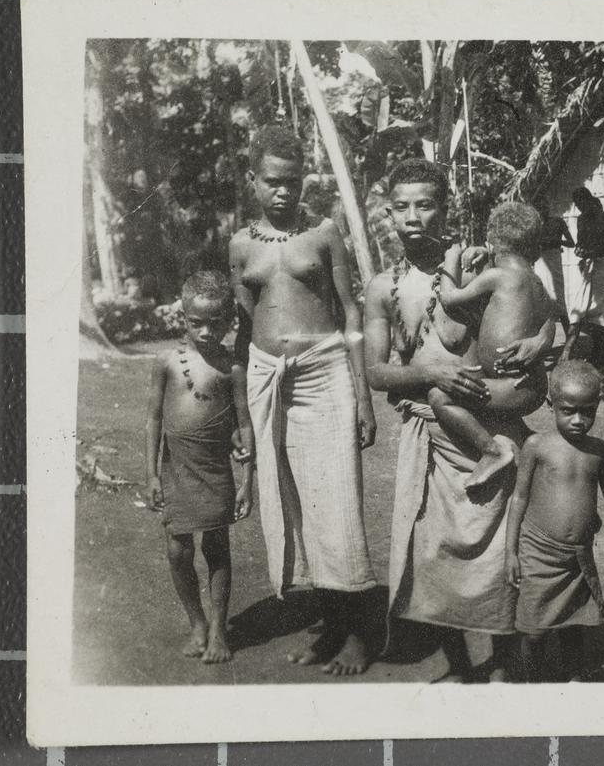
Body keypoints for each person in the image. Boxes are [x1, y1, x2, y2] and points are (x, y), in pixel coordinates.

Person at [363, 158, 554, 682]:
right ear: (388, 214)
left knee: (501, 551)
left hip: (489, 422)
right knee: (437, 553)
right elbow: (377, 372)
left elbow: (537, 304)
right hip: (431, 429)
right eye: (400, 207)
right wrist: (429, 372)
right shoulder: (384, 287)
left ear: (446, 208)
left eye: (425, 204)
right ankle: (462, 667)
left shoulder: (475, 264)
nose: (412, 217)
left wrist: (540, 340)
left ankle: (507, 665)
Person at [229, 125, 378, 677]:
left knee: (337, 505)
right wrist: (241, 416)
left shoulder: (323, 233)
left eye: (292, 182)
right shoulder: (240, 245)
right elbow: (245, 328)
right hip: (270, 380)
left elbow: (351, 313)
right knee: (294, 507)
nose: (283, 193)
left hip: (324, 374)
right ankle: (331, 626)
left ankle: (364, 632)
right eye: (272, 182)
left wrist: (363, 397)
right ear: (253, 182)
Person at [145, 270, 254, 664]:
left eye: (217, 323)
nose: (207, 332)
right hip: (176, 469)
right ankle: (197, 622)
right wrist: (152, 474)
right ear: (183, 317)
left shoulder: (232, 368)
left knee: (216, 546)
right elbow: (154, 419)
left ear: (230, 322)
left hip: (214, 469)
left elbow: (244, 424)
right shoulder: (168, 362)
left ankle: (220, 629)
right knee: (177, 550)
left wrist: (248, 482)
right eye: (197, 323)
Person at [504, 360, 604, 682]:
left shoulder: (598, 450)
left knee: (574, 624)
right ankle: (532, 684)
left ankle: (573, 681)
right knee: (534, 630)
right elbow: (519, 497)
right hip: (538, 553)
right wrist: (510, 551)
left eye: (588, 411)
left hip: (577, 558)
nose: (579, 420)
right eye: (569, 411)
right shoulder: (537, 445)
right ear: (551, 405)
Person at [433, 202, 552, 489]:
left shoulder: (498, 276)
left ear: (492, 244)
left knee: (440, 396)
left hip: (515, 386)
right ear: (534, 248)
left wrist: (451, 259)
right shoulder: (536, 282)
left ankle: (491, 451)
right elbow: (553, 314)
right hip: (527, 383)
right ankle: (529, 445)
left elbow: (450, 299)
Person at [566, 187, 604, 370]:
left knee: (603, 312)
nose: (580, 208)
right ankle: (601, 352)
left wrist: (596, 251)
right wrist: (580, 251)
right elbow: (580, 244)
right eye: (577, 205)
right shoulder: (581, 220)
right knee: (584, 310)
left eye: (582, 204)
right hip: (588, 267)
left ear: (589, 200)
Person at [532, 194, 574, 337]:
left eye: (545, 206)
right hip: (540, 262)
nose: (543, 209)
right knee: (542, 299)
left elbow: (571, 243)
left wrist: (558, 242)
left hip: (554, 260)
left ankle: (569, 339)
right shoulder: (534, 226)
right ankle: (541, 339)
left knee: (559, 299)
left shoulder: (558, 222)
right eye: (539, 207)